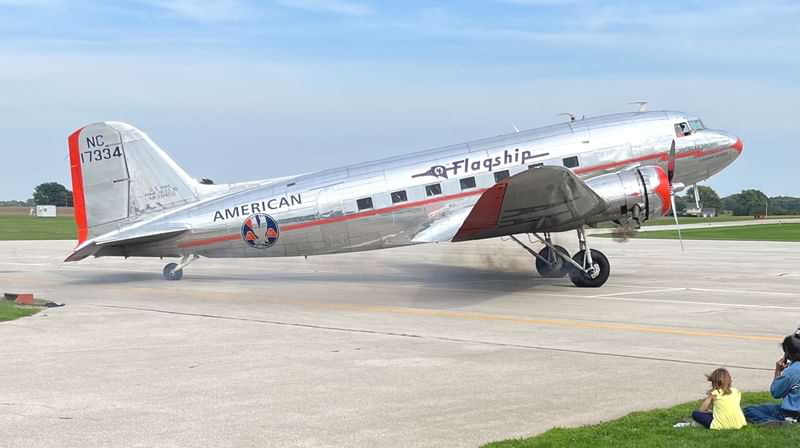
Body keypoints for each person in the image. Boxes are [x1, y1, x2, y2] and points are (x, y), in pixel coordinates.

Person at [744, 333, 800, 425]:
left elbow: (776, 393)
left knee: (749, 410)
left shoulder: (791, 372)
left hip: (791, 413)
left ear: (789, 354)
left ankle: (776, 423)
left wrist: (778, 371)